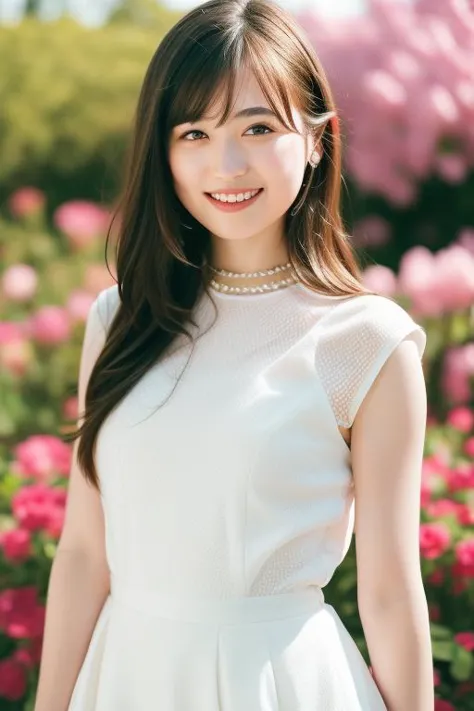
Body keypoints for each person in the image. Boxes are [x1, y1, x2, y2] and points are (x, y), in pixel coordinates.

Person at [33, 1, 435, 709]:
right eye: (195, 132)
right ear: (163, 148)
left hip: (282, 684)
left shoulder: (366, 342)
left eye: (258, 127)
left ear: (317, 140)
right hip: (127, 676)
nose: (226, 163)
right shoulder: (121, 319)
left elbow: (391, 590)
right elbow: (86, 553)